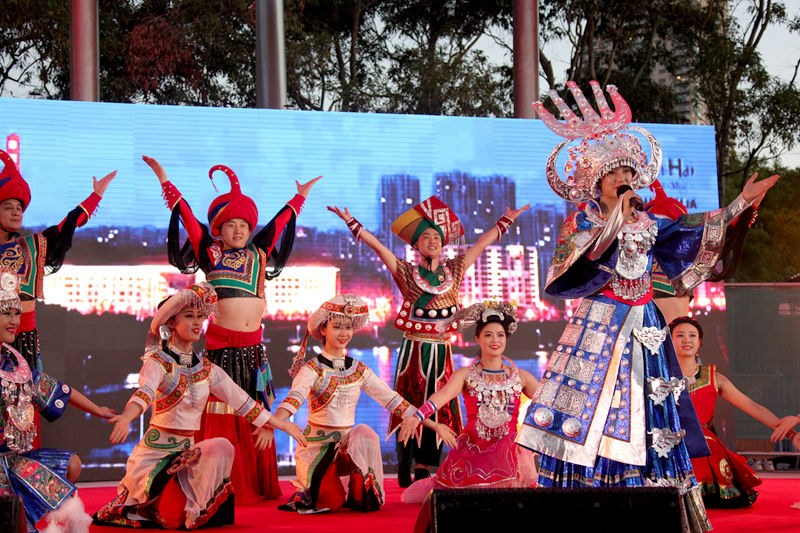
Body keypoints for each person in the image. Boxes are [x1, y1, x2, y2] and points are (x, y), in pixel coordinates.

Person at [515, 81, 779, 532]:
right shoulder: (584, 219)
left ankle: (654, 500)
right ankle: (590, 502)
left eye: (628, 172)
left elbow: (696, 226)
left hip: (647, 327)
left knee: (650, 412)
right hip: (601, 325)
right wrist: (616, 217)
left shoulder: (650, 220)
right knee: (594, 413)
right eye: (614, 174)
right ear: (596, 182)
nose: (623, 179)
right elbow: (583, 259)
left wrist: (738, 204)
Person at [144, 155, 319, 503]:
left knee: (255, 409)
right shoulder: (209, 254)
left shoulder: (259, 252)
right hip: (221, 352)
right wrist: (165, 180)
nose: (238, 230)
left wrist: (299, 197)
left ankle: (256, 483)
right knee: (222, 410)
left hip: (254, 353)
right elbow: (187, 217)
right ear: (218, 230)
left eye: (243, 224)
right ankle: (223, 482)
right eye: (230, 225)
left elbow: (280, 223)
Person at [328, 197, 530, 486]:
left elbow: (480, 246)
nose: (432, 241)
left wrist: (505, 221)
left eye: (437, 237)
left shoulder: (455, 270)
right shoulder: (407, 274)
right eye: (426, 237)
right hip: (414, 349)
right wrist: (352, 223)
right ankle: (404, 459)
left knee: (440, 405)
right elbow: (379, 247)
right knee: (407, 399)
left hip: (442, 351)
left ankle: (424, 465)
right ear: (417, 246)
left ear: (443, 244)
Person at [93, 283, 307, 529]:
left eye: (200, 317)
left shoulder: (207, 369)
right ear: (171, 323)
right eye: (189, 316)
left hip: (188, 456)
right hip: (155, 457)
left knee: (222, 446)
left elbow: (246, 404)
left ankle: (190, 506)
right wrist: (125, 417)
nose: (197, 323)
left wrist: (283, 425)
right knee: (170, 518)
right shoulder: (158, 363)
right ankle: (148, 504)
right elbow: (144, 394)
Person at [272, 294, 422, 513]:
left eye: (348, 327)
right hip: (317, 448)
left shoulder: (359, 369)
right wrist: (275, 422)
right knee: (329, 502)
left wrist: (423, 419)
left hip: (348, 447)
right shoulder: (312, 370)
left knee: (365, 432)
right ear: (323, 330)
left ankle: (359, 491)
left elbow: (390, 399)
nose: (344, 333)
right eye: (337, 327)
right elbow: (294, 399)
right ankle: (323, 488)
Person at [0, 266, 115, 532]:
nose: (15, 320)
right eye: (6, 312)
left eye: (17, 313)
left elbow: (59, 389)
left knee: (71, 464)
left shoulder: (16, 365)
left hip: (12, 459)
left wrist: (98, 410)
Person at [399, 301, 539, 505]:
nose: (495, 340)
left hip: (509, 452)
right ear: (477, 339)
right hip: (474, 448)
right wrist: (417, 417)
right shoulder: (466, 375)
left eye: (500, 335)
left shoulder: (522, 377)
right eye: (488, 334)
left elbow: (549, 405)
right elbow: (441, 396)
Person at [0, 150, 115, 371]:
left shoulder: (32, 246)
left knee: (29, 402)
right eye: (8, 207)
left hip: (26, 342)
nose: (16, 213)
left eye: (19, 208)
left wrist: (96, 196)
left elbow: (69, 224)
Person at [669, 315, 800, 507]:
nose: (686, 340)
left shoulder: (715, 379)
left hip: (705, 448)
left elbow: (752, 406)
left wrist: (791, 433)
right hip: (670, 445)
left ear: (700, 342)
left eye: (692, 335)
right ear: (669, 341)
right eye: (680, 335)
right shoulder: (659, 378)